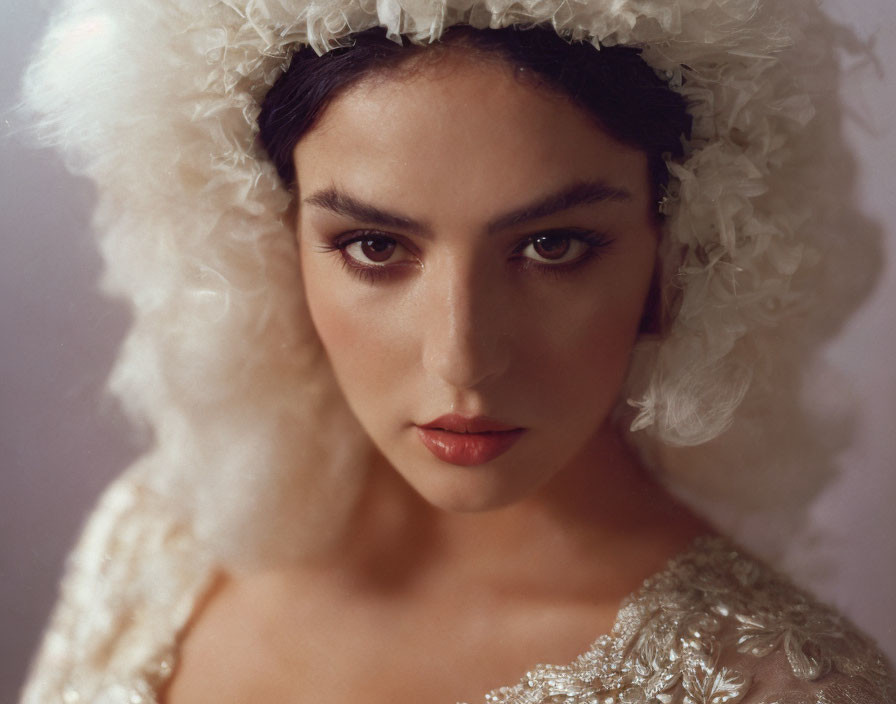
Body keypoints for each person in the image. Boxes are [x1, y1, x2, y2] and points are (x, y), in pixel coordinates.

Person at [17, 1, 894, 703]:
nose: (463, 360)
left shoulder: (782, 691)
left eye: (553, 247)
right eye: (374, 246)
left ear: (689, 245)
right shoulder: (159, 531)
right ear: (266, 241)